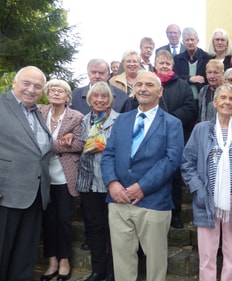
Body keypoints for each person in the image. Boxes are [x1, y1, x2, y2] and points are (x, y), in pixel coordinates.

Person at [101, 71, 184, 281]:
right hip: (118, 200)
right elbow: (108, 153)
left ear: (160, 90)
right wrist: (112, 183)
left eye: (149, 84)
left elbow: (171, 160)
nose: (143, 88)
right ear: (133, 89)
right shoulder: (122, 120)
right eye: (139, 84)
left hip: (153, 202)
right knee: (122, 260)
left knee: (156, 261)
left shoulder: (172, 123)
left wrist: (142, 186)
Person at [181, 83, 232, 281]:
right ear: (215, 103)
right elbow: (187, 162)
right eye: (223, 98)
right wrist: (197, 189)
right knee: (207, 255)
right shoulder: (201, 130)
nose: (227, 102)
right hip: (207, 199)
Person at [0, 66, 51, 281]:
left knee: (23, 258)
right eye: (26, 83)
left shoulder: (36, 112)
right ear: (14, 83)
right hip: (6, 194)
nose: (31, 89)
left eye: (37, 86)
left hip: (34, 196)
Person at [37, 79, 83, 281]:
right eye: (52, 90)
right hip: (42, 177)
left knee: (63, 221)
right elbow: (33, 140)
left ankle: (65, 260)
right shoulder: (38, 112)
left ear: (67, 96)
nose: (56, 93)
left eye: (61, 90)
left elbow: (79, 145)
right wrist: (59, 143)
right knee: (48, 222)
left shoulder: (76, 117)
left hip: (65, 177)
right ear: (47, 93)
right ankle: (52, 260)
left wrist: (48, 145)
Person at [76, 82, 119, 281]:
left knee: (113, 230)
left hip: (111, 182)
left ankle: (113, 270)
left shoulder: (119, 120)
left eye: (104, 97)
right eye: (96, 97)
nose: (100, 100)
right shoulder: (84, 121)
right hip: (89, 182)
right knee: (93, 228)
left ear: (109, 99)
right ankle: (98, 270)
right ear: (90, 99)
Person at [154, 49, 198, 228]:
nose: (164, 66)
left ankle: (175, 214)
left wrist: (170, 119)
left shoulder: (182, 85)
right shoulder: (150, 84)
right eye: (161, 63)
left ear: (172, 66)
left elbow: (190, 108)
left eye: (167, 63)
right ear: (155, 65)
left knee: (174, 177)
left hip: (175, 138)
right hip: (153, 139)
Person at [174, 27, 212, 94]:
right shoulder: (178, 59)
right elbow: (175, 77)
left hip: (202, 96)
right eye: (187, 40)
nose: (190, 42)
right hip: (183, 96)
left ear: (197, 41)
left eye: (192, 39)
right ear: (183, 42)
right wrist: (190, 78)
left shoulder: (207, 58)